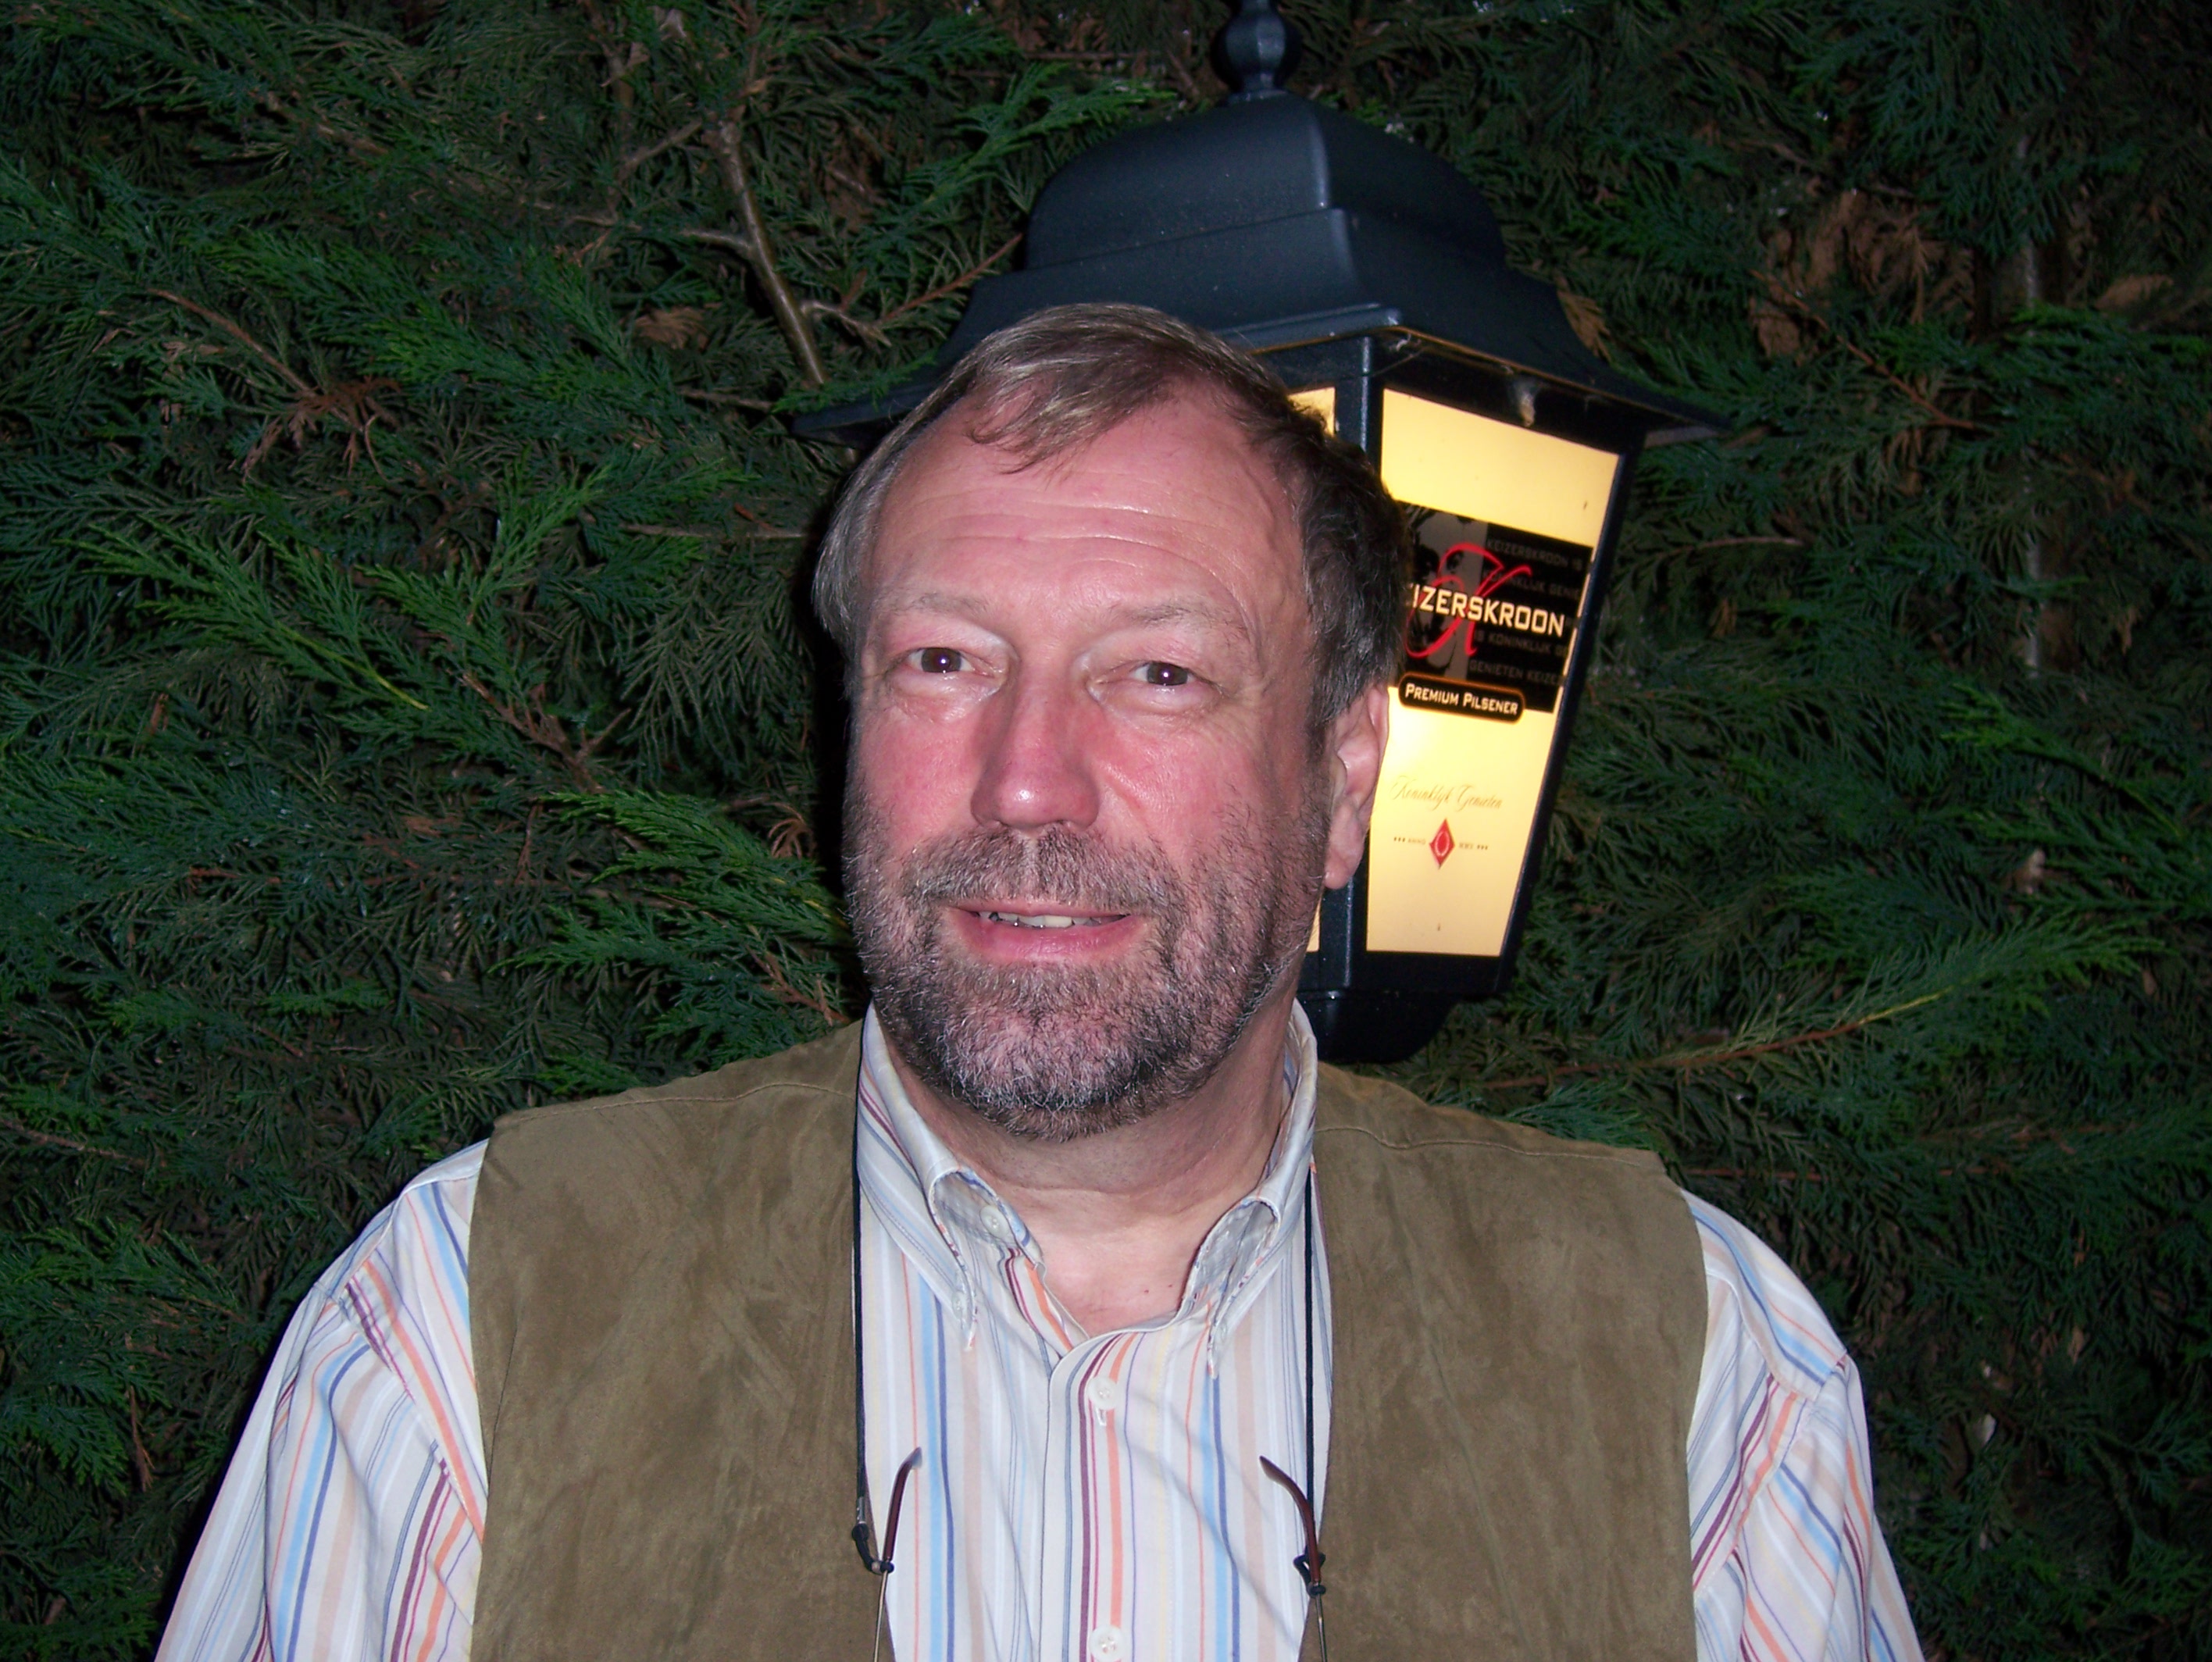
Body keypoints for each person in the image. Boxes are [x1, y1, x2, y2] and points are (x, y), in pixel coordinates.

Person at [159, 305, 1922, 1662]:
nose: (1024, 782)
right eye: (945, 660)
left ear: (1343, 778)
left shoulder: (1694, 1362)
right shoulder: (463, 1322)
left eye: (1156, 673)